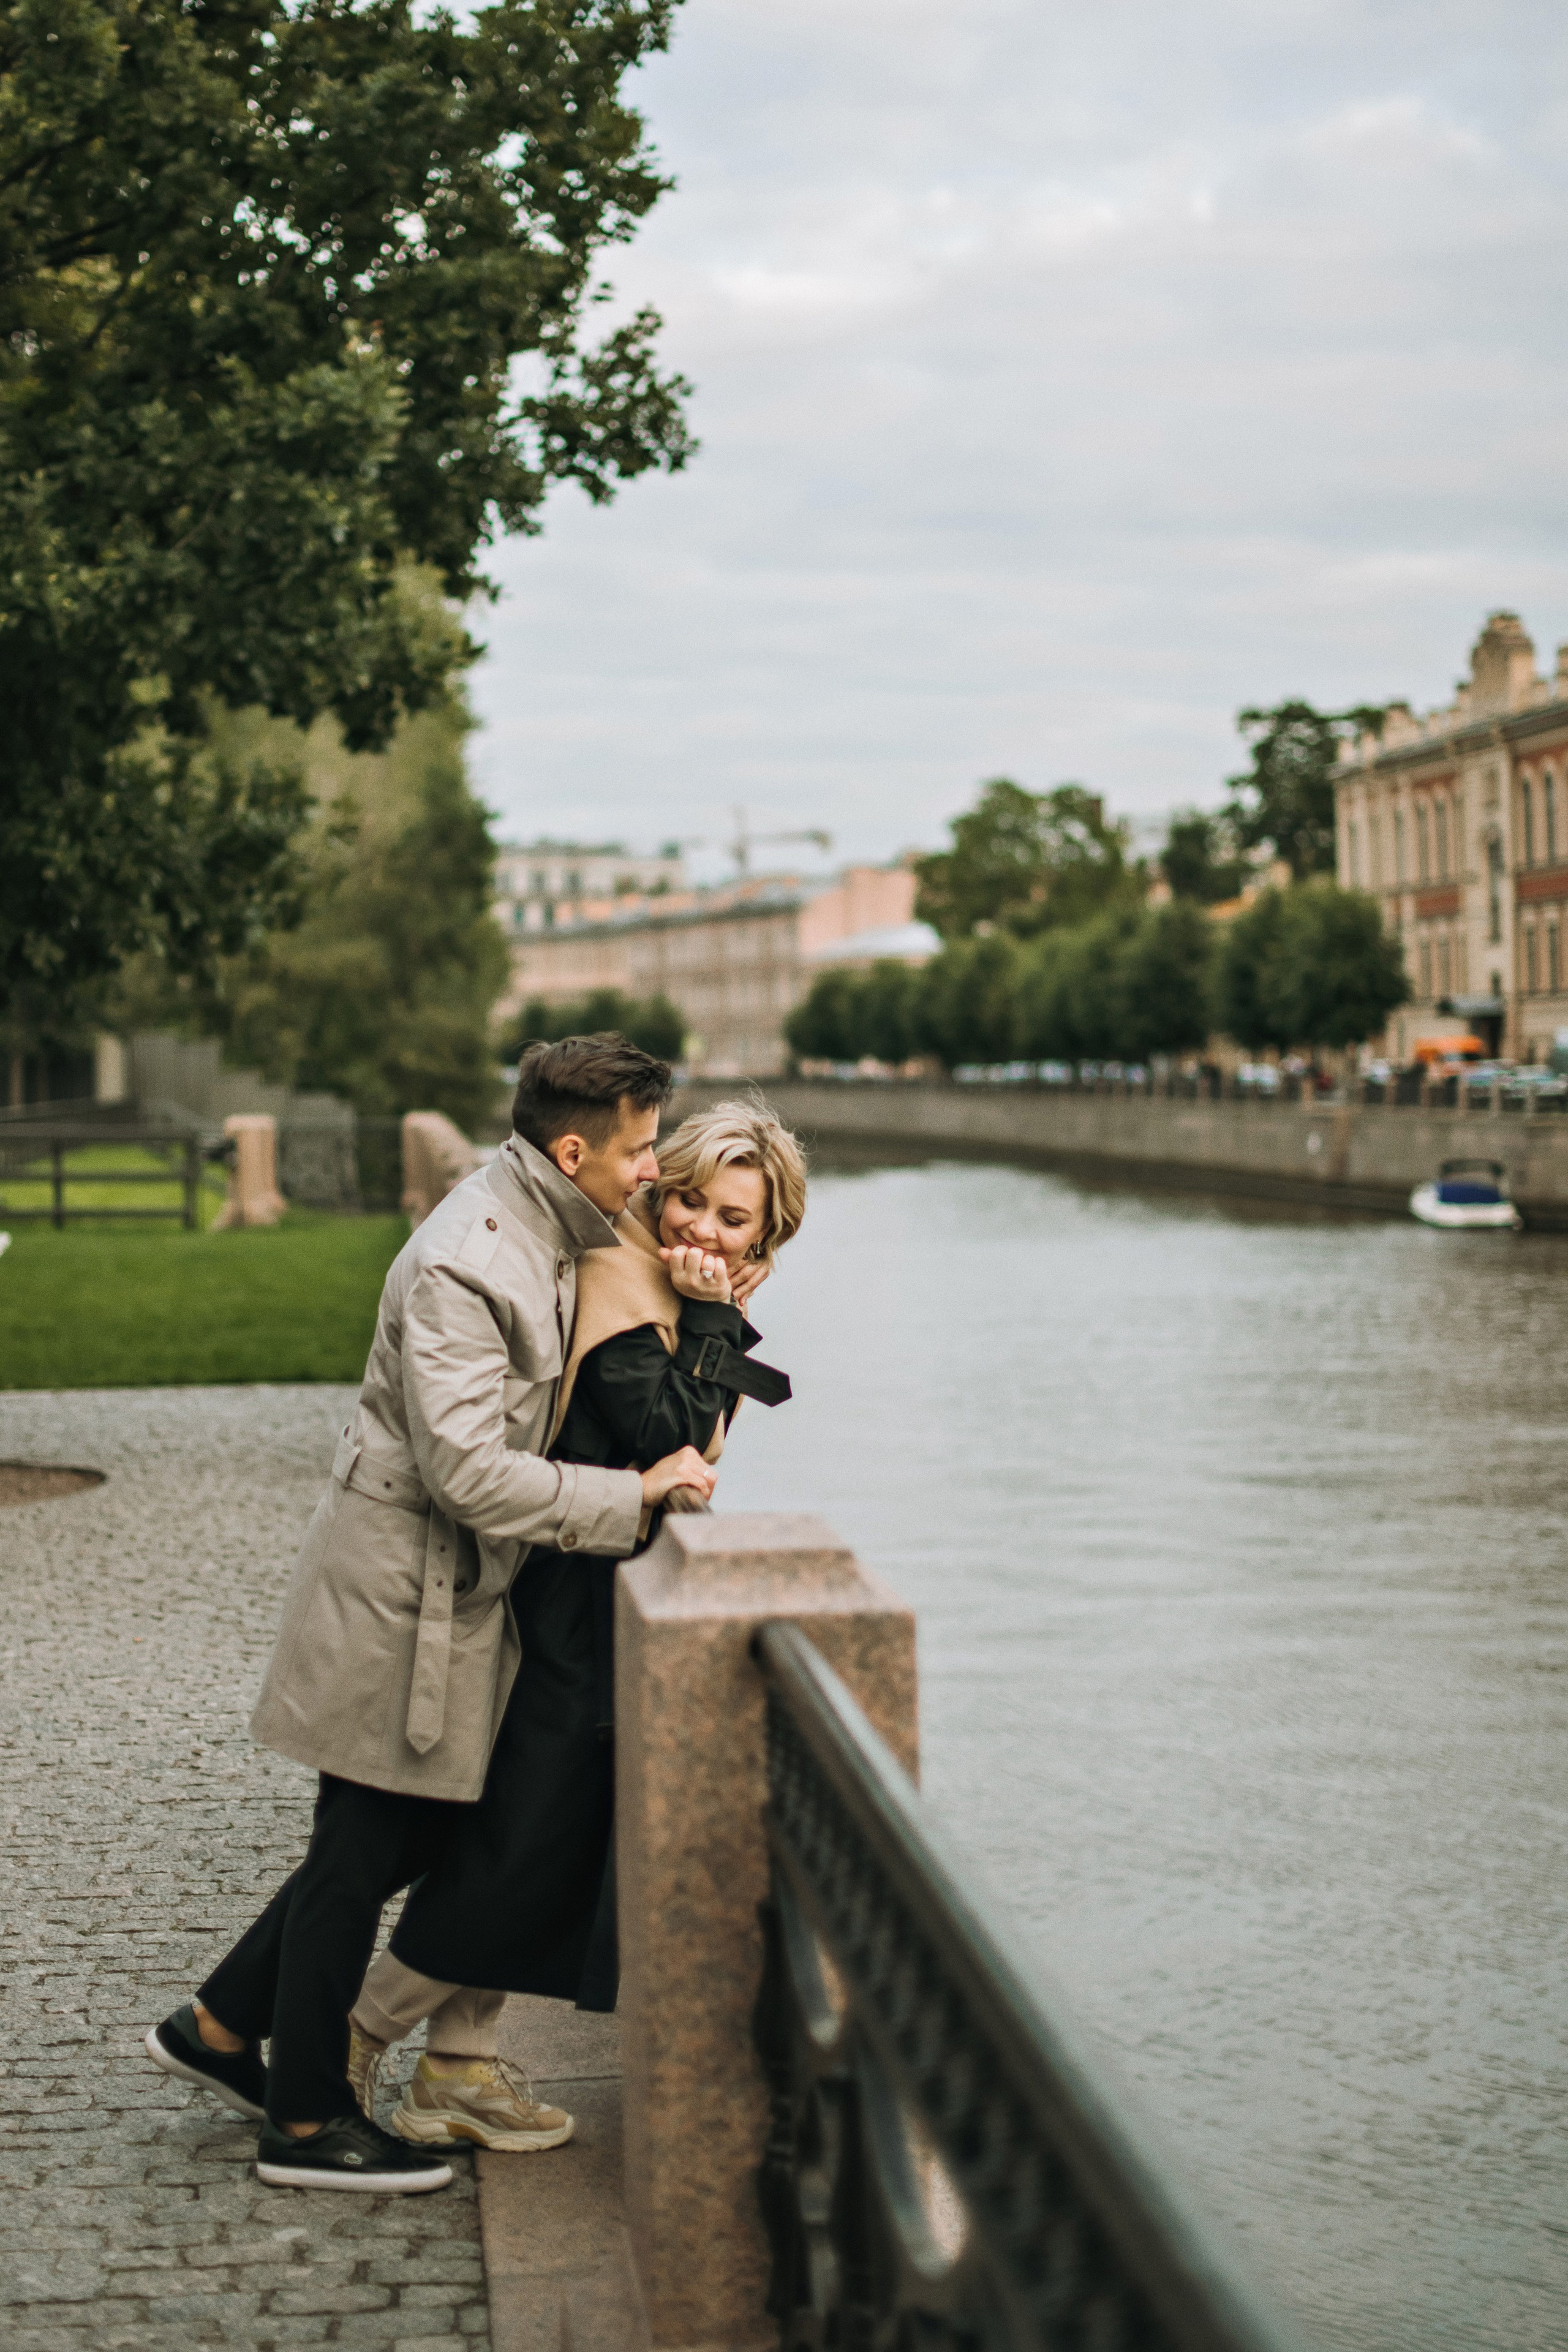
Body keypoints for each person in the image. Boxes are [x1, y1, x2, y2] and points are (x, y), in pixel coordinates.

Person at [143, 1037, 718, 2193]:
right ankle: (305, 2126)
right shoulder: (474, 1259)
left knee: (397, 1837)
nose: (655, 1173)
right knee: (358, 1854)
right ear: (575, 1151)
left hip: (441, 1592)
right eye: (643, 1149)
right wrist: (633, 1496)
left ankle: (216, 2030)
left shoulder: (546, 1220)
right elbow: (466, 1474)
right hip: (402, 1593)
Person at [338, 1099, 807, 2151]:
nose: (704, 1230)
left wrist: (713, 1323)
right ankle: (352, 2036)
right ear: (655, 1182)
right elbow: (675, 1439)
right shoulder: (620, 1279)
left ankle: (456, 2069)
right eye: (688, 1196)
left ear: (768, 1238)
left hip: (606, 1591)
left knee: (547, 1843)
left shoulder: (664, 1285)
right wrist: (718, 1321)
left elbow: (708, 1443)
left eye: (737, 1222)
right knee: (523, 1842)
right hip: (566, 1597)